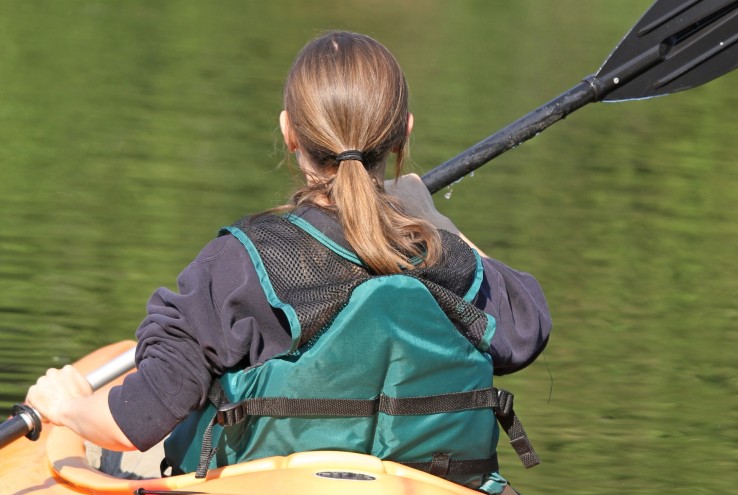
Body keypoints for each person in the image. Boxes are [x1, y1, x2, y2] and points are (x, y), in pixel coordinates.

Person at [26, 31, 551, 494]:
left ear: (289, 132)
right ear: (404, 134)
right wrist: (434, 220)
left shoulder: (238, 263)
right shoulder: (447, 260)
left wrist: (66, 406)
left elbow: (139, 418)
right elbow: (528, 324)